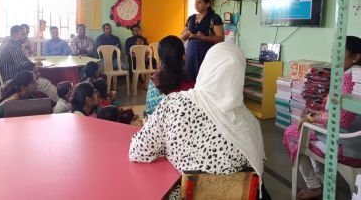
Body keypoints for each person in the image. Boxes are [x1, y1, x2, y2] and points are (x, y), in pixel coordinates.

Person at [129, 43, 265, 189]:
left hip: (184, 195)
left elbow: (138, 151)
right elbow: (256, 172)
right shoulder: (250, 124)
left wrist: (168, 147)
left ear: (206, 67)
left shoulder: (174, 103)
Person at [283, 36, 361, 200]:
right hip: (352, 137)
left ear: (356, 57)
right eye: (334, 50)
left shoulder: (350, 80)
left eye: (340, 50)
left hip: (346, 144)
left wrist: (313, 117)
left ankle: (314, 185)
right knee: (306, 131)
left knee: (292, 134)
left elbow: (343, 118)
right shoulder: (354, 77)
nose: (333, 55)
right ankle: (321, 177)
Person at [145, 35, 195, 115]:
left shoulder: (155, 81)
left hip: (158, 124)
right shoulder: (191, 83)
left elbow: (150, 111)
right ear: (183, 56)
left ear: (160, 58)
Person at [181, 0, 224, 81]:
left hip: (206, 53)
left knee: (204, 78)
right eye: (195, 2)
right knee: (190, 78)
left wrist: (203, 37)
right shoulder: (191, 19)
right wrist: (185, 35)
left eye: (199, 2)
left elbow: (220, 38)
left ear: (208, 4)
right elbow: (182, 36)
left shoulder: (214, 18)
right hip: (191, 54)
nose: (196, 5)